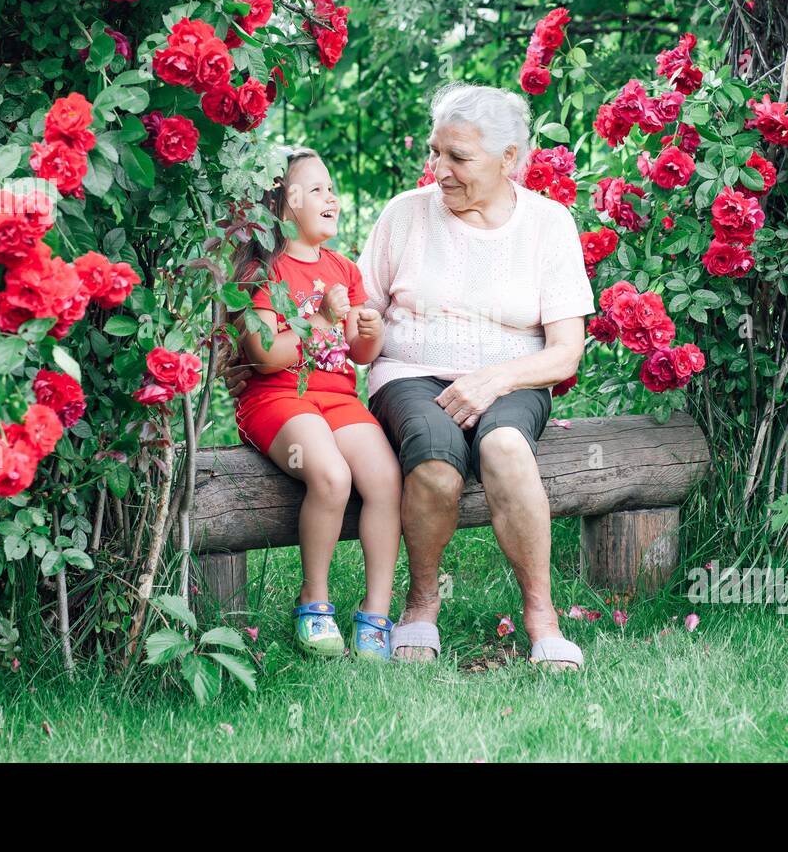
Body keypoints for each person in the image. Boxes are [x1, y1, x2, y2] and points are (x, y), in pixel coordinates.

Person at [359, 82, 594, 669]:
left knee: (507, 448)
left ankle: (541, 615)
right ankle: (421, 605)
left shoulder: (548, 223)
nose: (439, 169)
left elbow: (566, 352)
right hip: (411, 373)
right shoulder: (404, 215)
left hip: (513, 378)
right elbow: (363, 328)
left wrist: (495, 380)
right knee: (437, 465)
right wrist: (352, 333)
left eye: (457, 157)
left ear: (508, 159)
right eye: (436, 152)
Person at [228, 147, 402, 661]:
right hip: (278, 399)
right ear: (285, 203)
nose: (333, 198)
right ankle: (314, 601)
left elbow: (360, 353)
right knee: (329, 475)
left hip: (337, 397)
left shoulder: (343, 269)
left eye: (332, 189)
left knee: (386, 480)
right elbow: (264, 357)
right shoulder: (263, 271)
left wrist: (368, 331)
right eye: (318, 189)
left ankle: (376, 613)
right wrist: (323, 320)